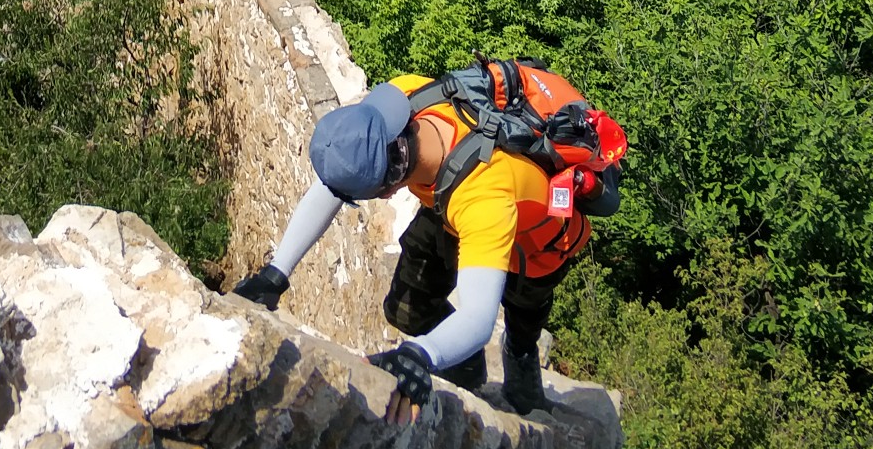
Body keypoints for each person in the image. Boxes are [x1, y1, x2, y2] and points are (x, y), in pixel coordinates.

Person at [232, 60, 625, 423]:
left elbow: (477, 317)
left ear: (386, 193)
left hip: (536, 245)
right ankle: (467, 367)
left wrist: (421, 355)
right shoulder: (401, 102)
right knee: (405, 308)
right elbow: (337, 178)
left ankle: (520, 359)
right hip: (449, 207)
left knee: (523, 318)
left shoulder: (484, 195)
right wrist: (274, 274)